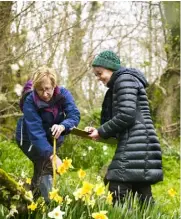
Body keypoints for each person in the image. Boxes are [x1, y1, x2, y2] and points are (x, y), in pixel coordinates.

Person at [85, 50, 163, 205]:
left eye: (100, 73)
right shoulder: (124, 81)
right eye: (96, 75)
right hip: (140, 141)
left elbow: (126, 115)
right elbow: (124, 116)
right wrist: (100, 132)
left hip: (137, 141)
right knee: (141, 190)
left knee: (117, 184)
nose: (99, 78)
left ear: (111, 68)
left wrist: (101, 131)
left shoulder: (124, 80)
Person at [16, 66, 80, 202]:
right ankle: (49, 203)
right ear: (35, 88)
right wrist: (52, 155)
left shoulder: (63, 94)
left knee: (42, 168)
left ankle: (30, 201)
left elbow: (74, 115)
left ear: (54, 85)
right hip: (28, 138)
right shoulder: (30, 101)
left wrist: (63, 125)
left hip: (51, 139)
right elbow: (36, 132)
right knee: (46, 163)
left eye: (48, 89)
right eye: (40, 90)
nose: (45, 94)